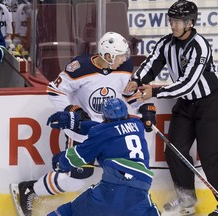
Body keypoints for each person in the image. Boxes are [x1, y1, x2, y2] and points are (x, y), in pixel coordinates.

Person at [124, 1, 218, 215]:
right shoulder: (167, 43)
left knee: (211, 157)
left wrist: (154, 92)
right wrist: (137, 79)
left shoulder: (200, 46)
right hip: (186, 105)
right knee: (175, 151)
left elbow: (189, 83)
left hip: (210, 104)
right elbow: (152, 63)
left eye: (178, 21)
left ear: (190, 23)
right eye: (171, 21)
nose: (173, 25)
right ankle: (186, 199)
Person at [10, 32, 142, 216]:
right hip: (83, 133)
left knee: (121, 173)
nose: (125, 59)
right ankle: (30, 190)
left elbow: (127, 93)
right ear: (109, 56)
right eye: (120, 55)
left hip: (111, 133)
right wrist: (72, 110)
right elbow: (54, 90)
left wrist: (143, 107)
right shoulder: (80, 67)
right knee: (76, 180)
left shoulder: (125, 66)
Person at [46, 98, 160, 216]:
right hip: (142, 188)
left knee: (68, 211)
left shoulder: (101, 133)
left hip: (113, 186)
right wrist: (78, 124)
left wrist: (61, 161)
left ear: (105, 117)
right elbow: (111, 130)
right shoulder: (138, 125)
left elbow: (77, 156)